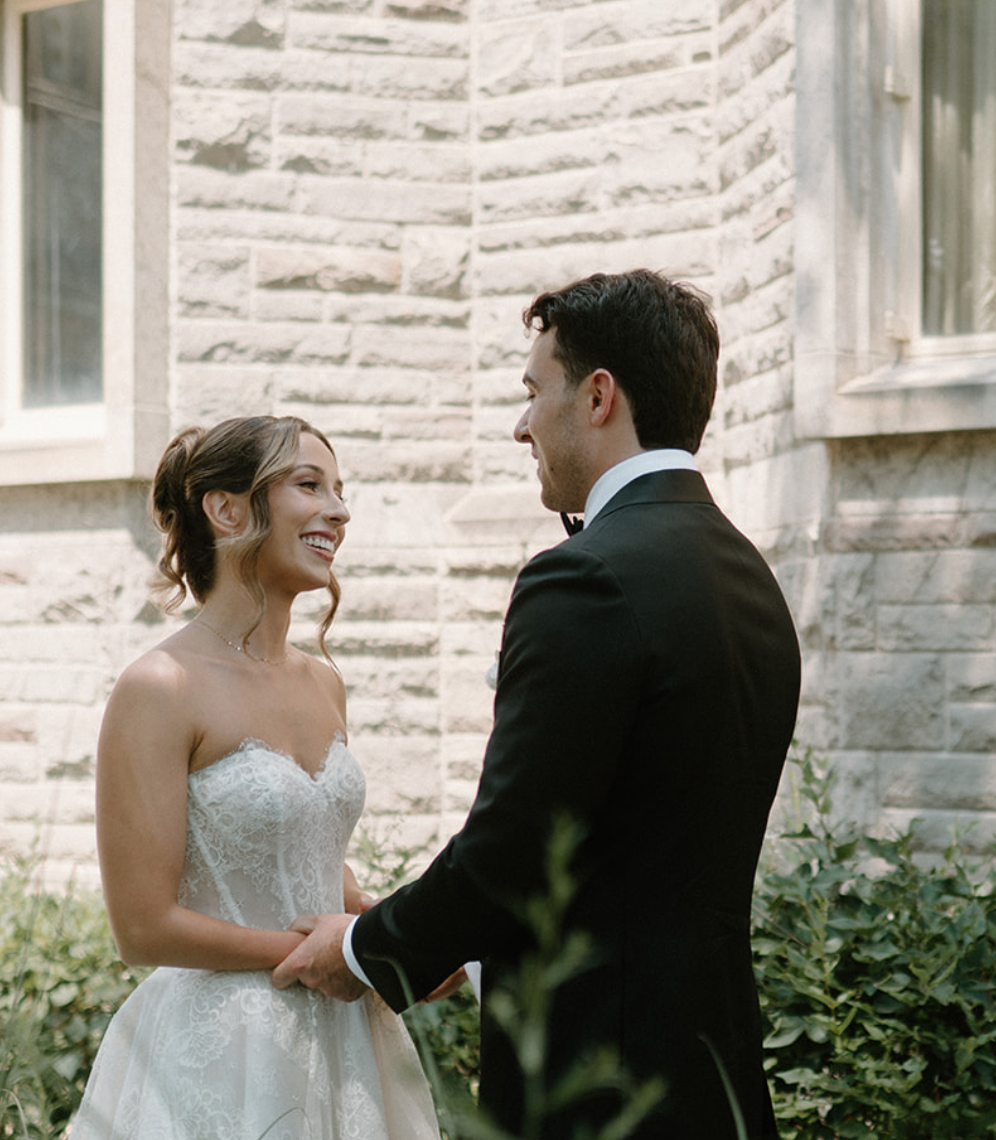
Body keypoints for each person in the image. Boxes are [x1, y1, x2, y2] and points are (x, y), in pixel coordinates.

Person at [273, 270, 802, 1140]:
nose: (521, 425)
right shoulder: (745, 574)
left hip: (598, 1089)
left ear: (598, 397)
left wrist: (371, 951)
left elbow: (519, 838)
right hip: (714, 1077)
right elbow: (639, 842)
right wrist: (471, 955)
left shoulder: (586, 575)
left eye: (532, 391)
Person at [67, 416, 439, 1140]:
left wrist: (398, 936)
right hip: (221, 1051)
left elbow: (315, 868)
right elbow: (142, 927)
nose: (339, 509)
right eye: (310, 485)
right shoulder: (160, 686)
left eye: (341, 490)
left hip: (347, 1041)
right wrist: (326, 956)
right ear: (226, 508)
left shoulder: (324, 684)